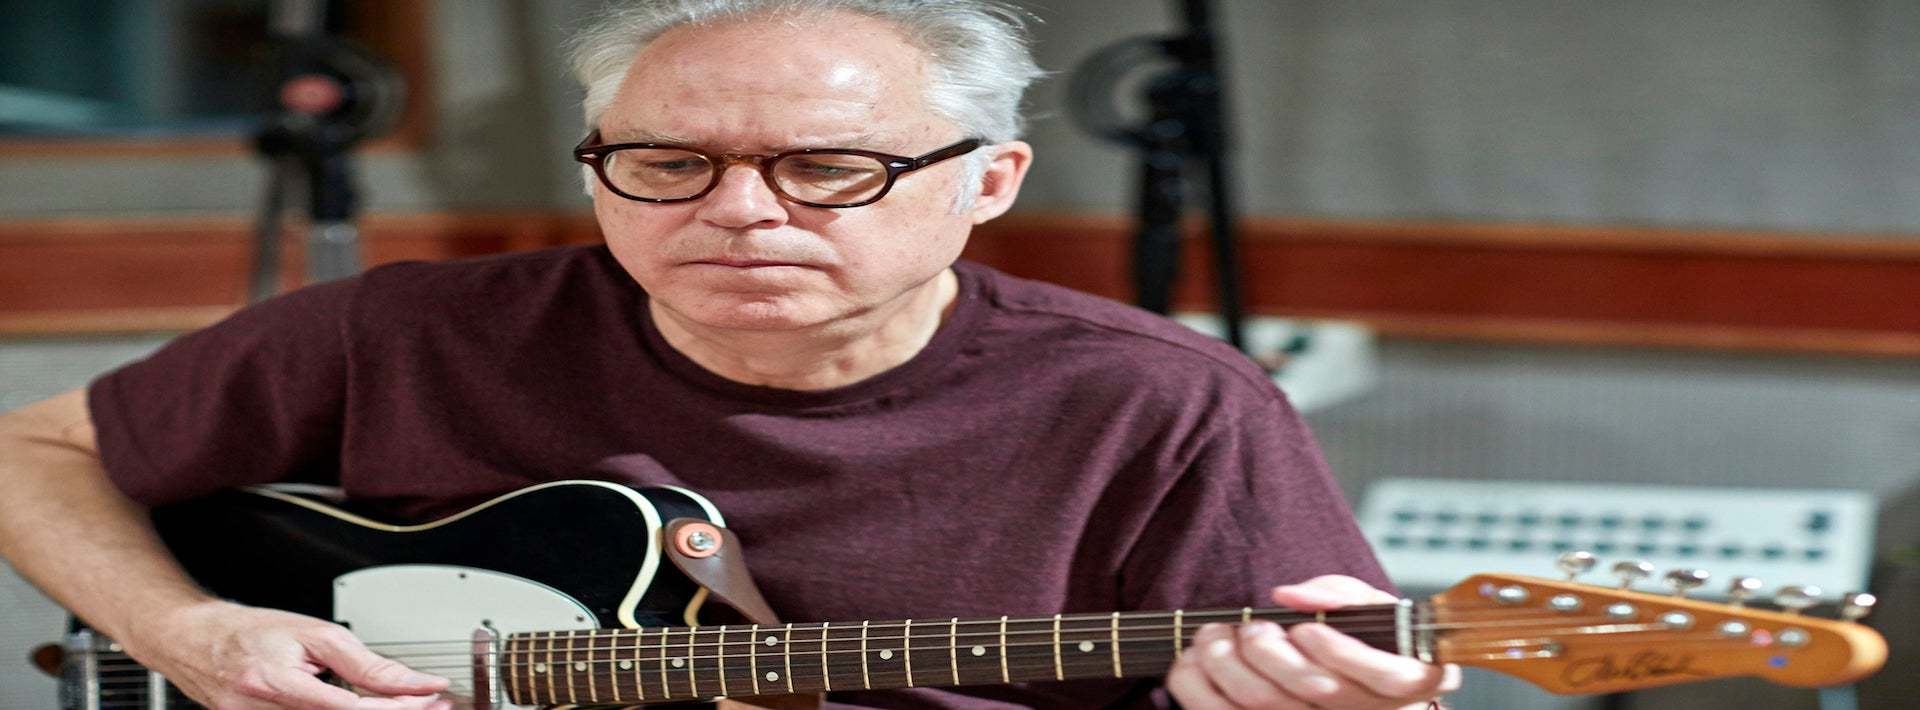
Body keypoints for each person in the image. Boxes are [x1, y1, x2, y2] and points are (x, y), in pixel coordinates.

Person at [0, 1, 1458, 708]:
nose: (739, 212)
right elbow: (32, 448)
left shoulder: (1166, 404)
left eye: (826, 166)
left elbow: (1332, 677)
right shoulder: (410, 330)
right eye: (665, 163)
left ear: (990, 182)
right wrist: (187, 632)